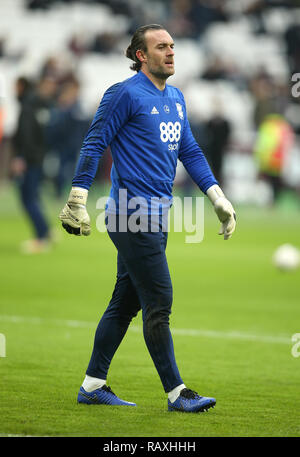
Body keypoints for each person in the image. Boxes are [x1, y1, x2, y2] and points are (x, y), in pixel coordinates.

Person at [59, 24, 236, 412]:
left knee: (125, 303)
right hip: (128, 213)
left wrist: (216, 195)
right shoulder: (123, 94)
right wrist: (78, 194)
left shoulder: (175, 97)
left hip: (158, 216)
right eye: (161, 47)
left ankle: (93, 384)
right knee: (160, 300)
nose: (170, 52)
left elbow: (188, 150)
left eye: (173, 46)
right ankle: (177, 393)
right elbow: (95, 142)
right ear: (141, 55)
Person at [11, 76, 56, 254]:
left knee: (27, 198)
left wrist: (21, 157)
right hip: (38, 157)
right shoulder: (40, 105)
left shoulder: (29, 106)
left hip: (29, 159)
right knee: (33, 197)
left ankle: (41, 237)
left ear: (21, 86)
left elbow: (26, 134)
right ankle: (46, 231)